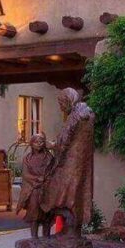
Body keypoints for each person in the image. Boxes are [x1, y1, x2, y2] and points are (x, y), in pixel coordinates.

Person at [40, 88, 95, 235]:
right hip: (80, 165)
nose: (60, 107)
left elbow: (64, 141)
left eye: (61, 103)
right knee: (75, 195)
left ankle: (56, 221)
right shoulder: (88, 114)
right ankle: (71, 230)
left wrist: (50, 145)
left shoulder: (75, 116)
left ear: (68, 100)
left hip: (68, 165)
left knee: (53, 189)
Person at [15, 133, 54, 237]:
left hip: (46, 189)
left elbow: (53, 171)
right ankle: (34, 238)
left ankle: (46, 237)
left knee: (47, 215)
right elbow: (26, 174)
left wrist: (46, 179)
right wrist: (37, 179)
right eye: (37, 142)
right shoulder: (27, 158)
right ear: (32, 144)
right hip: (34, 189)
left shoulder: (49, 157)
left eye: (41, 142)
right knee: (34, 215)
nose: (39, 144)